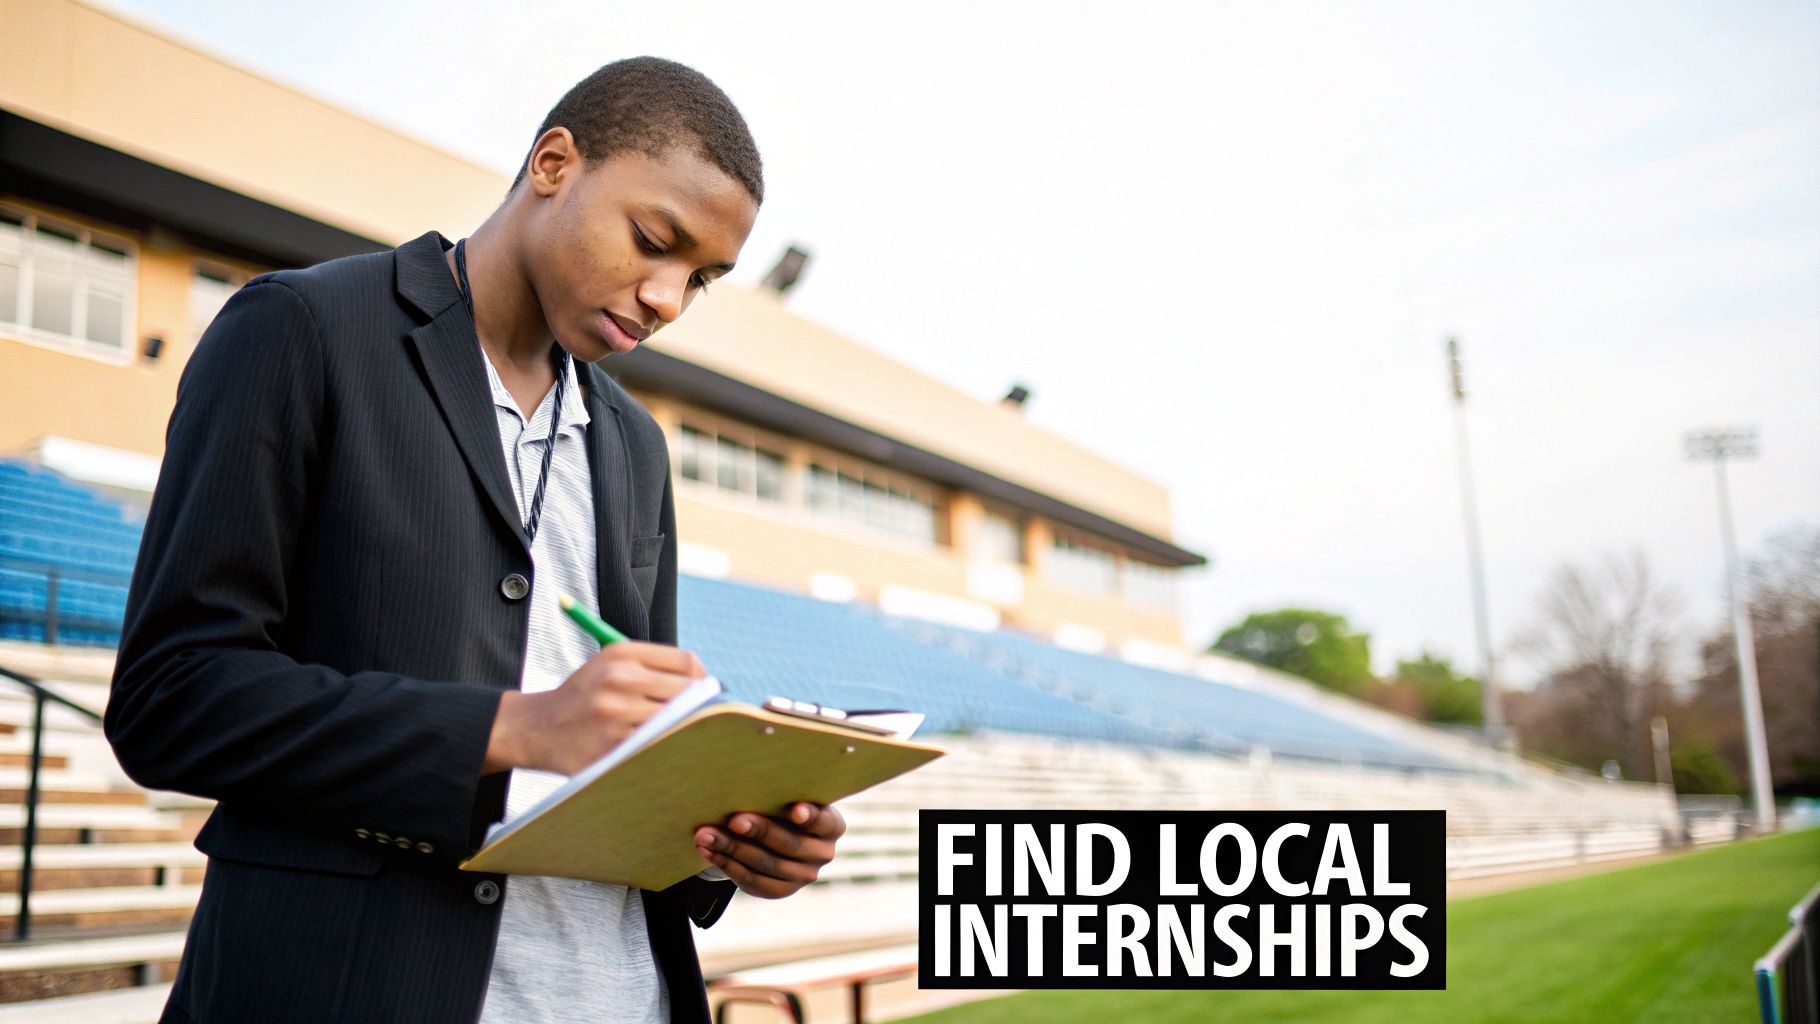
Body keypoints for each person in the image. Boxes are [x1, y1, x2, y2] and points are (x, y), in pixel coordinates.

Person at [105, 57, 843, 1024]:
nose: (668, 297)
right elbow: (171, 699)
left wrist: (731, 842)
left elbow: (627, 743)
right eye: (655, 242)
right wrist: (513, 729)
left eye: (700, 280)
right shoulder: (303, 330)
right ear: (552, 164)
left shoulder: (634, 446)